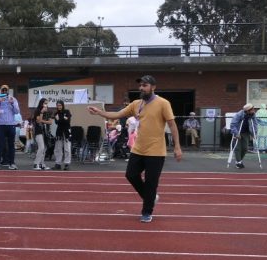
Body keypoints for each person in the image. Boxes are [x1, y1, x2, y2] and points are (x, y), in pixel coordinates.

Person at [88, 75, 182, 223]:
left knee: (151, 183)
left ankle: (147, 211)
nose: (141, 88)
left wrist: (177, 147)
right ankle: (150, 197)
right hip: (138, 149)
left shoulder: (163, 103)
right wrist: (99, 112)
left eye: (145, 85)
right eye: (140, 86)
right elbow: (117, 114)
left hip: (156, 151)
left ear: (153, 87)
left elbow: (172, 125)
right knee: (131, 175)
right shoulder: (136, 104)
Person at [0, 85, 21, 169]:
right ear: (1, 91)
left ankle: (12, 163)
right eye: (3, 90)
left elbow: (17, 111)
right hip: (1, 125)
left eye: (6, 90)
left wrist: (12, 103)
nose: (4, 91)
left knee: (11, 145)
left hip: (11, 125)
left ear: (8, 91)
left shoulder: (13, 99)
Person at [229, 104, 257, 169]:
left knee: (245, 148)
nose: (253, 110)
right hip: (238, 132)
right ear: (247, 111)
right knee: (237, 148)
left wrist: (254, 134)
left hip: (246, 133)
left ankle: (239, 161)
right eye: (252, 109)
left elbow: (255, 124)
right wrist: (236, 133)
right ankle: (238, 162)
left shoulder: (253, 115)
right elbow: (233, 124)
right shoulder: (239, 114)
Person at [31, 98, 52, 170]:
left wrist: (43, 120)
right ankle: (36, 163)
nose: (46, 105)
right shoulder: (37, 111)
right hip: (38, 131)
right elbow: (38, 121)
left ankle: (42, 163)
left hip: (45, 131)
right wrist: (42, 113)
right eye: (44, 103)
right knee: (41, 147)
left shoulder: (48, 112)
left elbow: (50, 122)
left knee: (45, 148)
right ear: (41, 103)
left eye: (47, 103)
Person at [52, 100, 72, 170]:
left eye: (60, 105)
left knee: (67, 149)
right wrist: (63, 119)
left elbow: (67, 121)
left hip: (66, 132)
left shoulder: (67, 112)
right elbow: (57, 122)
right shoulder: (56, 113)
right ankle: (58, 163)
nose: (59, 107)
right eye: (57, 105)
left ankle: (67, 163)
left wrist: (61, 120)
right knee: (58, 148)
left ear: (63, 105)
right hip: (59, 132)